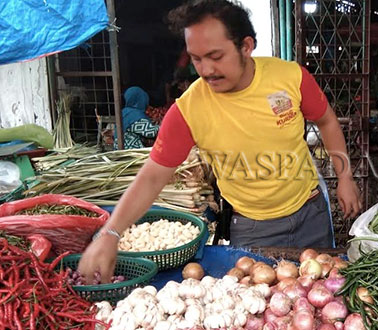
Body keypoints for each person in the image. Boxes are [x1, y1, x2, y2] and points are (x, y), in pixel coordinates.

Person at [79, 0, 362, 283]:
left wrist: (345, 176)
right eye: (196, 58)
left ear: (246, 46)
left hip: (310, 211)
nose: (206, 70)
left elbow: (326, 120)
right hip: (253, 228)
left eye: (216, 56)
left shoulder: (290, 77)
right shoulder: (189, 110)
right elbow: (152, 177)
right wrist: (110, 233)